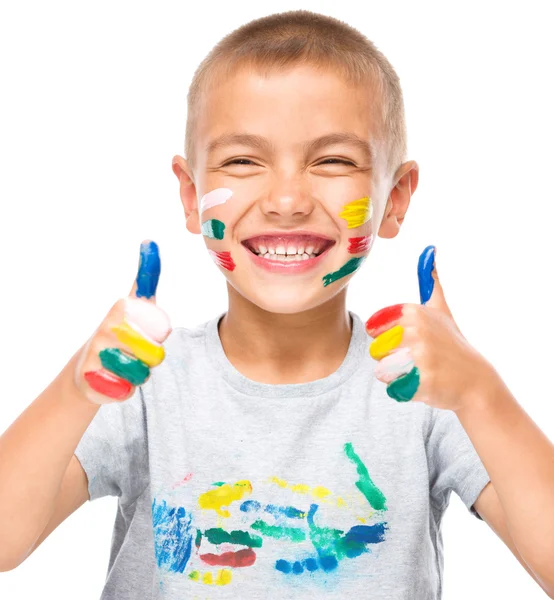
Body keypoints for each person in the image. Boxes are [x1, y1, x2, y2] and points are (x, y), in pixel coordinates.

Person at [1, 9, 553, 600]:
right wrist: (76, 388)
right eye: (242, 161)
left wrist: (481, 394)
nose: (287, 200)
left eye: (333, 161)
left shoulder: (423, 387)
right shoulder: (147, 383)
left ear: (394, 199)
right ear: (190, 197)